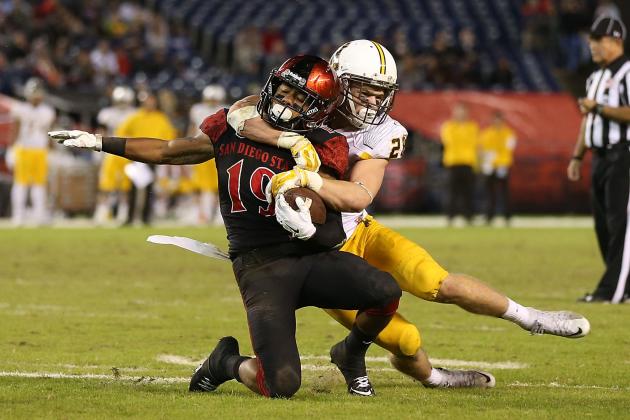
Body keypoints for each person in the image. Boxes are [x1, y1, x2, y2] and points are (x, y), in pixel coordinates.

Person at [228, 40, 590, 387]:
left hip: (361, 231)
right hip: (320, 255)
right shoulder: (303, 106)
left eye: (379, 92)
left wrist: (307, 177)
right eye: (364, 89)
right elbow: (239, 113)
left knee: (436, 281)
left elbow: (359, 195)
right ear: (337, 81)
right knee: (406, 339)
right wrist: (289, 139)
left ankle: (530, 318)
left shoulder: (383, 132)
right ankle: (433, 378)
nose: (373, 100)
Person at [49, 55, 402, 398]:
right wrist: (99, 142)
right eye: (282, 91)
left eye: (299, 97)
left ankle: (352, 352)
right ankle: (225, 363)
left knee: (385, 292)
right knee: (280, 384)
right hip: (261, 266)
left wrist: (305, 216)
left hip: (311, 257)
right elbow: (170, 150)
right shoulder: (233, 123)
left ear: (319, 108)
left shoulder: (325, 144)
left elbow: (327, 214)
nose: (285, 101)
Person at [567, 15, 630, 304]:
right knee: (604, 226)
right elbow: (587, 120)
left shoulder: (627, 71)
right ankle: (621, 284)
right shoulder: (595, 76)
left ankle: (611, 291)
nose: (592, 45)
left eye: (598, 39)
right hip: (600, 158)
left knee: (621, 226)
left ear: (616, 41)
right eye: (591, 39)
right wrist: (578, 155)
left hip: (623, 155)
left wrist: (601, 108)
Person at [116, 90, 177, 225]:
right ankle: (130, 217)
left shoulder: (160, 118)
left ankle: (145, 217)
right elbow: (122, 132)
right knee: (131, 187)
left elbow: (169, 137)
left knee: (149, 187)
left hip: (153, 156)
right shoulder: (135, 117)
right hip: (135, 156)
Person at [8, 78, 56, 226]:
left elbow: (50, 133)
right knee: (21, 183)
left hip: (40, 151)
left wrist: (51, 150)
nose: (36, 97)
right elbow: (15, 131)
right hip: (23, 149)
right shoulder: (20, 108)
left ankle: (39, 215)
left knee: (39, 184)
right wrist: (11, 148)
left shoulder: (48, 111)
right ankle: (18, 216)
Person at [94, 85, 136, 225]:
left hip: (128, 152)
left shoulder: (135, 114)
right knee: (106, 185)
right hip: (110, 152)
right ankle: (102, 213)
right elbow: (102, 132)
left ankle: (123, 214)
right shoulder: (107, 113)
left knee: (125, 187)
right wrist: (97, 150)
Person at [187, 85, 227, 225]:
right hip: (200, 149)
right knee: (197, 184)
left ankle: (217, 213)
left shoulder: (225, 110)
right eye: (210, 98)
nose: (211, 101)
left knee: (219, 184)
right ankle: (200, 214)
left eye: (214, 98)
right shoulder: (197, 109)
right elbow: (192, 129)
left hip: (217, 150)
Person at [440, 102, 480, 226]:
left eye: (463, 111)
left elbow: (475, 144)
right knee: (452, 192)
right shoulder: (448, 126)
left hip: (468, 162)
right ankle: (450, 217)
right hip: (453, 162)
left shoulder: (473, 126)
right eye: (458, 111)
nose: (461, 114)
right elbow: (449, 141)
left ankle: (469, 216)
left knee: (468, 192)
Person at [479, 111, 516, 225]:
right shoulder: (486, 134)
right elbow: (482, 149)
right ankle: (489, 216)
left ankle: (507, 216)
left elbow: (508, 150)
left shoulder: (509, 133)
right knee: (490, 193)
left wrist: (500, 162)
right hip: (489, 166)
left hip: (502, 166)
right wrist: (485, 163)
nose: (497, 122)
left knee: (504, 193)